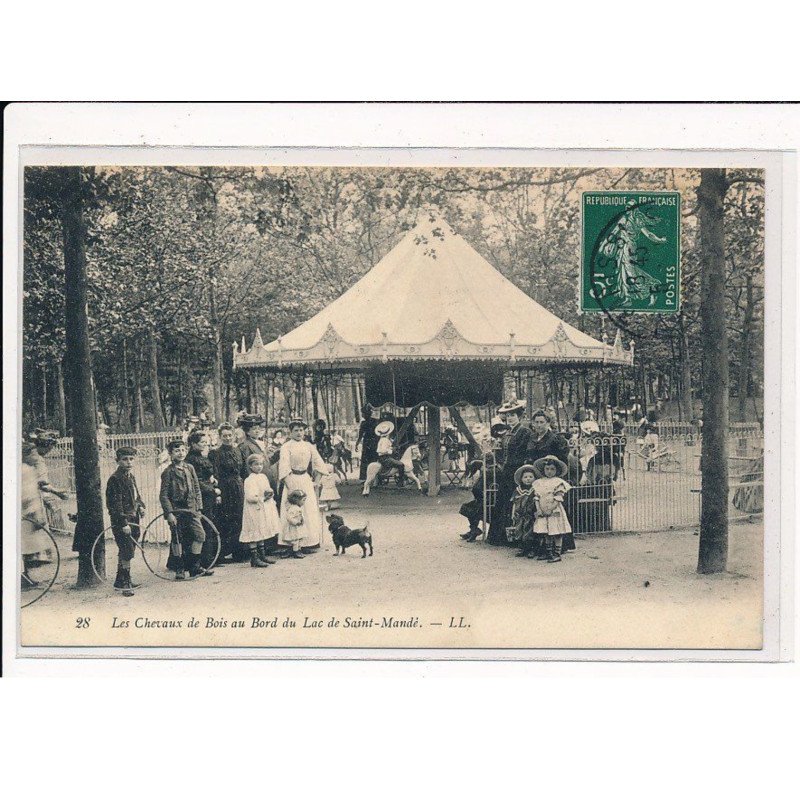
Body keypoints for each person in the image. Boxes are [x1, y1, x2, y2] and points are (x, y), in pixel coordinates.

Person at [159, 439, 213, 580]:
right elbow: (163, 495)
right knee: (178, 539)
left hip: (192, 509)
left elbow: (196, 489)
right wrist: (169, 513)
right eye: (177, 450)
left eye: (183, 450)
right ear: (171, 454)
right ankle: (179, 568)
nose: (180, 453)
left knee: (200, 535)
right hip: (177, 511)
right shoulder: (168, 472)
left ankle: (195, 566)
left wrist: (199, 508)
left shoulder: (190, 468)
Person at [278, 419, 326, 553]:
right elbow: (284, 467)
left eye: (301, 430)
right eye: (296, 430)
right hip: (292, 480)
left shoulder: (309, 446)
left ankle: (308, 543)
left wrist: (316, 481)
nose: (299, 433)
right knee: (292, 511)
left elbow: (319, 464)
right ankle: (289, 545)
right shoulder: (286, 446)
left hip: (305, 480)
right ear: (291, 432)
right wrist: (291, 488)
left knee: (308, 511)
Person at [487, 400, 532, 545]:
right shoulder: (507, 433)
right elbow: (500, 452)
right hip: (506, 472)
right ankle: (500, 537)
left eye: (513, 415)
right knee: (503, 502)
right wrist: (500, 463)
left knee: (518, 504)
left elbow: (525, 452)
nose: (510, 418)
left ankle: (517, 537)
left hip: (518, 472)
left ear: (519, 416)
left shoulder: (524, 432)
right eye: (508, 415)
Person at [105, 446, 146, 596]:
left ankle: (119, 579)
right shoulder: (115, 479)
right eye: (124, 459)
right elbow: (114, 504)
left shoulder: (131, 476)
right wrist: (123, 523)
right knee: (127, 550)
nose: (128, 462)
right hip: (122, 521)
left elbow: (136, 496)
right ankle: (125, 583)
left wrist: (140, 506)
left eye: (131, 459)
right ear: (117, 461)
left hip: (133, 518)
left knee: (128, 549)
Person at [185, 430, 223, 569]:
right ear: (193, 444)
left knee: (211, 524)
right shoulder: (190, 460)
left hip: (209, 495)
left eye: (206, 443)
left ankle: (210, 558)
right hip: (202, 496)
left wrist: (213, 479)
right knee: (204, 526)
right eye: (202, 443)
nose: (204, 445)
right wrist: (213, 490)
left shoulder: (202, 456)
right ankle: (204, 561)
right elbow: (197, 482)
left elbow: (207, 474)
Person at [209, 423, 246, 562]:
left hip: (238, 487)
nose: (227, 438)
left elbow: (243, 471)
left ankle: (238, 552)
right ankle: (222, 553)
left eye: (230, 435)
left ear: (234, 436)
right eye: (224, 436)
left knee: (238, 518)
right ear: (220, 437)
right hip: (224, 487)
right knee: (224, 518)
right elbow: (215, 473)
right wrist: (217, 491)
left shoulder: (238, 451)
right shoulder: (215, 453)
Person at [241, 453, 280, 568]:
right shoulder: (249, 480)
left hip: (263, 507)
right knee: (254, 531)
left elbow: (267, 489)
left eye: (261, 464)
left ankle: (262, 555)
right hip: (253, 508)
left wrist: (270, 493)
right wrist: (263, 498)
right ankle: (254, 558)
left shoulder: (263, 477)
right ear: (250, 466)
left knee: (261, 529)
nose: (259, 467)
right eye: (256, 464)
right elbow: (250, 497)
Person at [21, 442, 51, 590]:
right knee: (24, 546)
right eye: (33, 454)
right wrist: (33, 513)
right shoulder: (23, 470)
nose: (36, 457)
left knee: (27, 546)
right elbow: (26, 496)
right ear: (24, 455)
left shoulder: (29, 469)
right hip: (26, 514)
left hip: (29, 511)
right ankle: (23, 577)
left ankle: (25, 575)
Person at [531, 456, 572, 563]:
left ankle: (557, 553)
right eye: (547, 469)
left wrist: (551, 508)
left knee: (556, 531)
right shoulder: (539, 482)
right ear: (543, 469)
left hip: (554, 510)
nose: (549, 472)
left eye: (552, 469)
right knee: (546, 531)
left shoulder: (558, 482)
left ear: (556, 470)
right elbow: (536, 497)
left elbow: (559, 498)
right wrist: (539, 509)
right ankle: (548, 552)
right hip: (542, 509)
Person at [459, 454, 495, 542]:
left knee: (474, 510)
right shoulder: (484, 472)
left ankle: (474, 531)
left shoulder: (490, 471)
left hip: (489, 500)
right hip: (482, 499)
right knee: (466, 507)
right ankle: (473, 530)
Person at [509, 464, 540, 558]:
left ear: (535, 478)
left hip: (531, 515)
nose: (528, 479)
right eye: (525, 477)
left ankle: (532, 550)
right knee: (519, 531)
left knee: (531, 532)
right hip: (519, 515)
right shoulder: (518, 490)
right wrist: (513, 513)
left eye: (531, 477)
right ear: (521, 479)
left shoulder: (535, 489)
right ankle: (523, 549)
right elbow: (514, 502)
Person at [281, 489, 310, 559]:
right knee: (295, 539)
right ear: (297, 500)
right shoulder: (293, 508)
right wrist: (296, 522)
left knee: (300, 538)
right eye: (303, 500)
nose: (304, 502)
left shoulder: (298, 507)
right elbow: (289, 517)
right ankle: (295, 551)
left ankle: (298, 550)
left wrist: (302, 520)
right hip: (294, 527)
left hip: (299, 526)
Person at [356, 405, 378, 482]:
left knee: (366, 459)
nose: (362, 415)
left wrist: (357, 443)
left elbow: (361, 434)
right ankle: (374, 477)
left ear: (366, 414)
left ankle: (365, 478)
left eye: (363, 413)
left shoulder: (364, 423)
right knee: (374, 459)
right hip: (374, 441)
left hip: (368, 442)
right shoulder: (375, 421)